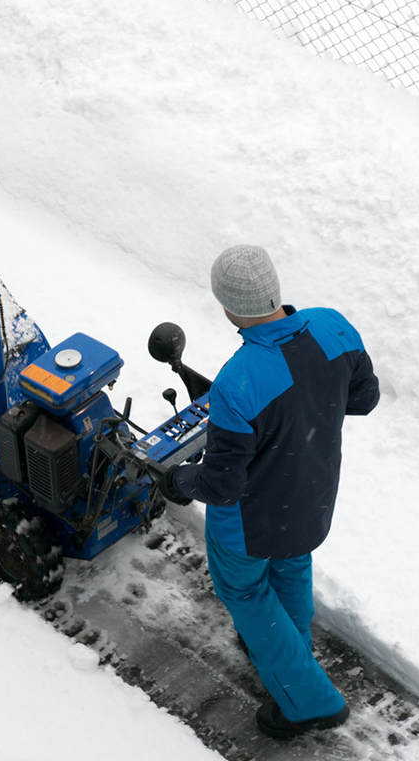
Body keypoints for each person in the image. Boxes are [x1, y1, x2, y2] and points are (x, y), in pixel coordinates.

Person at [156, 244, 379, 739]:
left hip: (250, 521)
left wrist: (176, 480)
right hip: (314, 494)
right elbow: (364, 398)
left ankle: (310, 705)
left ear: (228, 305)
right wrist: (305, 411)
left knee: (246, 590)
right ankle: (286, 652)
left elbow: (221, 483)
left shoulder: (239, 382)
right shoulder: (333, 326)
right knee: (291, 565)